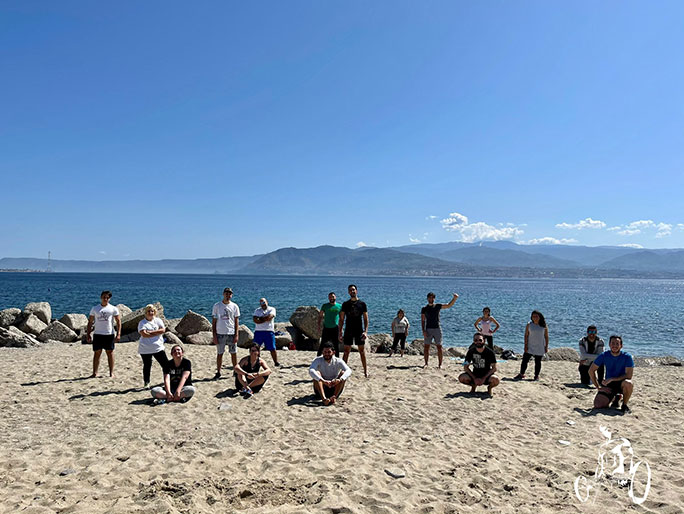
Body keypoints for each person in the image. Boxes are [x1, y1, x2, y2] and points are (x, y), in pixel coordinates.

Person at [590, 335, 634, 413]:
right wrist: (598, 387)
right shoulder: (604, 355)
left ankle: (624, 405)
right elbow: (591, 370)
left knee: (629, 383)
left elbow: (629, 375)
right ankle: (616, 398)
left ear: (621, 346)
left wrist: (612, 379)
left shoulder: (627, 357)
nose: (615, 346)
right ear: (609, 345)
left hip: (622, 383)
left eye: (617, 344)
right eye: (613, 343)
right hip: (609, 384)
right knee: (598, 405)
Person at [85, 290, 121, 378]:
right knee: (97, 353)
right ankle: (95, 372)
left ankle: (111, 373)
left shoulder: (113, 309)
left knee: (110, 352)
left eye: (107, 298)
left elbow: (118, 321)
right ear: (101, 297)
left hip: (109, 334)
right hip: (97, 334)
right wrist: (88, 333)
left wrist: (119, 333)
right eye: (104, 297)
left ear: (109, 299)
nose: (105, 299)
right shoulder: (95, 308)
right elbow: (90, 321)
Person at [421, 292, 459, 368]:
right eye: (429, 298)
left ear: (434, 298)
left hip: (437, 328)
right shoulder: (424, 308)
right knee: (426, 347)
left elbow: (448, 305)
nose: (431, 299)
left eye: (432, 298)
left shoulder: (438, 306)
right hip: (428, 329)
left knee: (439, 347)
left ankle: (440, 364)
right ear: (427, 298)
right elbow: (423, 320)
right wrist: (423, 331)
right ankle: (426, 363)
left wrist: (454, 298)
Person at [338, 284, 369, 377]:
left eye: (353, 290)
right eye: (350, 290)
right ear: (348, 292)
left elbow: (366, 319)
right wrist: (340, 331)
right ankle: (343, 371)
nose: (352, 291)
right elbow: (342, 319)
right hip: (348, 330)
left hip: (359, 330)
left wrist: (365, 331)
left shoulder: (362, 304)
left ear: (357, 291)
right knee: (346, 351)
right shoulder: (345, 304)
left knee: (362, 351)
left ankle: (365, 371)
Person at [309, 341, 352, 406]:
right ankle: (324, 399)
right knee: (316, 374)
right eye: (325, 352)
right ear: (322, 352)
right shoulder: (318, 360)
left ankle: (334, 397)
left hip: (334, 387)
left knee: (343, 373)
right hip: (321, 388)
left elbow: (348, 370)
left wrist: (339, 380)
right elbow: (311, 370)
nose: (327, 354)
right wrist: (323, 380)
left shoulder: (338, 361)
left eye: (329, 352)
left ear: (333, 352)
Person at [211, 287, 240, 380]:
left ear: (231, 295)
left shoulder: (235, 306)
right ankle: (218, 372)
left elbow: (236, 321)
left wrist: (236, 334)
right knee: (220, 353)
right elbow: (214, 321)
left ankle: (235, 371)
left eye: (230, 294)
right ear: (223, 294)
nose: (228, 295)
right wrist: (214, 335)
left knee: (233, 353)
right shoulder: (217, 306)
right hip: (220, 333)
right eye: (226, 293)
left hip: (231, 333)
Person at [137, 304, 168, 388]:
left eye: (152, 311)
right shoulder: (142, 322)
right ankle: (146, 382)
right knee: (147, 365)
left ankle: (168, 380)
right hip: (145, 349)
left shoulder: (158, 320)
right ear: (145, 312)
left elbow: (163, 330)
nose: (150, 313)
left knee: (165, 365)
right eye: (148, 311)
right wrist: (156, 333)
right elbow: (144, 334)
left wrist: (150, 332)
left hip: (158, 347)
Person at [514, 310, 549, 381]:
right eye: (533, 316)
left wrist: (546, 346)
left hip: (540, 346)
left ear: (539, 317)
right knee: (525, 360)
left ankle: (536, 376)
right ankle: (521, 374)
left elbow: (546, 336)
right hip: (530, 345)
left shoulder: (543, 325)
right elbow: (526, 335)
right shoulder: (529, 324)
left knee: (538, 362)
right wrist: (525, 345)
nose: (535, 317)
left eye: (536, 316)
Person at [253, 297, 279, 367]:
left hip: (269, 331)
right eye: (261, 303)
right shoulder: (257, 310)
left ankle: (276, 362)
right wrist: (264, 319)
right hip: (258, 331)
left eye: (264, 302)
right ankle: (257, 362)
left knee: (272, 348)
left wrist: (260, 319)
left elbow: (269, 317)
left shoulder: (272, 309)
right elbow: (255, 320)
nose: (263, 304)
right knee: (256, 348)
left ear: (267, 302)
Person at [317, 292, 341, 356]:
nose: (331, 298)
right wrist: (319, 326)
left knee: (336, 345)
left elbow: (342, 318)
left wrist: (341, 329)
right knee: (322, 344)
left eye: (333, 296)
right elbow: (320, 316)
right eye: (330, 297)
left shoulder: (339, 306)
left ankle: (337, 359)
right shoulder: (325, 306)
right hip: (326, 328)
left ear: (335, 297)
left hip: (335, 328)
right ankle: (318, 358)